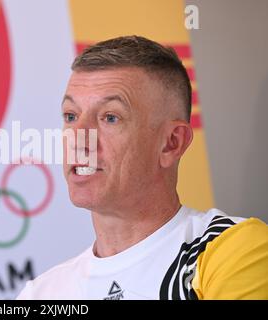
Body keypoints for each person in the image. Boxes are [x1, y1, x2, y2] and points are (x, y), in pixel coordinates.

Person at [17, 35, 268, 300]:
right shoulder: (40, 294)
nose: (78, 139)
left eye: (110, 118)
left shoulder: (234, 250)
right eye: (71, 116)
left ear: (171, 144)